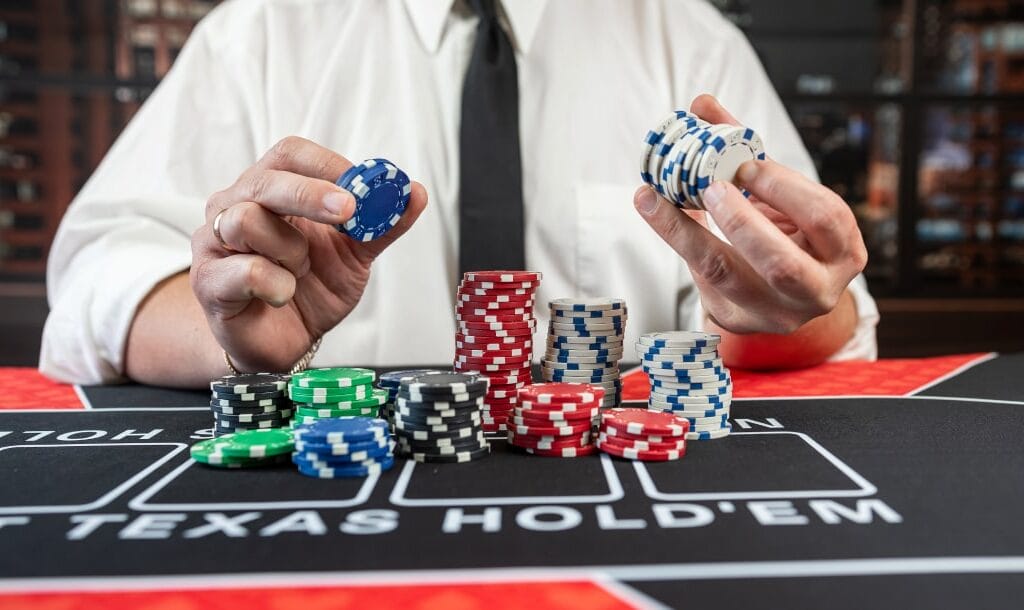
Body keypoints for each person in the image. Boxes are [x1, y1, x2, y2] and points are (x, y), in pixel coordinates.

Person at [40, 0, 878, 387]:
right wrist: (228, 334)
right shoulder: (255, 31)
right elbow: (96, 280)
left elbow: (826, 308)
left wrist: (776, 303)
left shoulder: (692, 37)